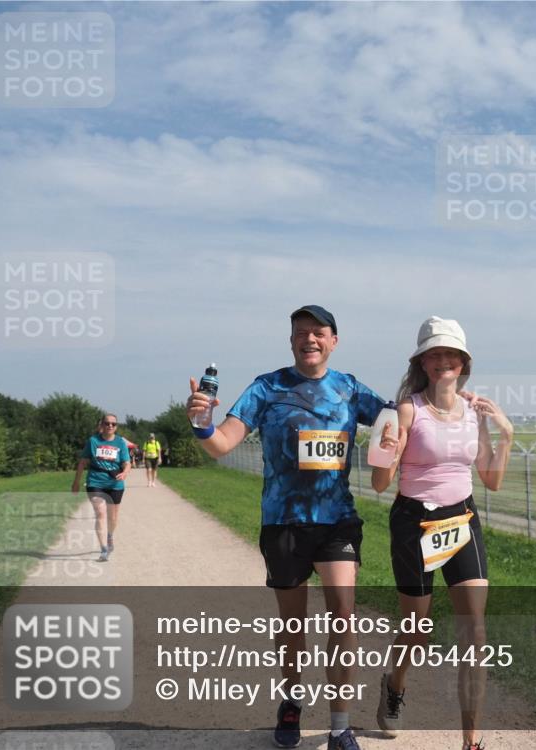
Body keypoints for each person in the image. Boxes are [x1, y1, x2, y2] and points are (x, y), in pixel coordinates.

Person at [186, 305, 387, 750]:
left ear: (334, 340)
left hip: (336, 521)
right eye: (300, 333)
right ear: (291, 341)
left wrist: (437, 406)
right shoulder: (267, 387)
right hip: (283, 524)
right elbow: (222, 444)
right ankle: (292, 701)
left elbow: (397, 419)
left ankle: (339, 726)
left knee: (344, 618)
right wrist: (202, 424)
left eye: (318, 332)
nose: (309, 339)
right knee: (293, 625)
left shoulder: (350, 389)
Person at [371, 316, 513, 750]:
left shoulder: (476, 410)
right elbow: (380, 483)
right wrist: (387, 449)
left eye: (451, 354)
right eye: (435, 353)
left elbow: (492, 481)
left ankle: (471, 741)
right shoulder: (406, 410)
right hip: (415, 521)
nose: (443, 361)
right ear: (423, 362)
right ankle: (394, 686)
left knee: (475, 631)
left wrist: (505, 434)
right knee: (416, 627)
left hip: (461, 520)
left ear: (463, 362)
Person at [71, 414, 131, 562]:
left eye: (113, 424)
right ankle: (103, 549)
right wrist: (76, 482)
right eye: (107, 423)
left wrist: (125, 473)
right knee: (100, 513)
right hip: (95, 481)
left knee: (113, 517)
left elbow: (126, 462)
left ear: (116, 426)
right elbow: (83, 462)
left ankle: (109, 535)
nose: (110, 426)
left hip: (115, 483)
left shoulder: (120, 442)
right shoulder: (93, 441)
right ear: (102, 425)